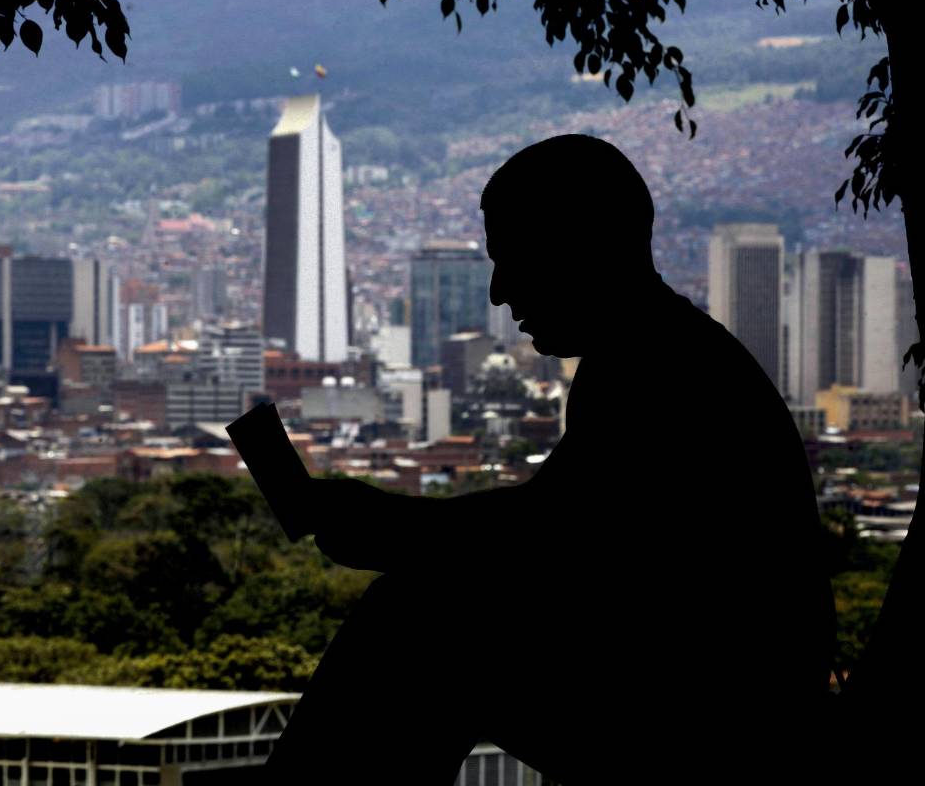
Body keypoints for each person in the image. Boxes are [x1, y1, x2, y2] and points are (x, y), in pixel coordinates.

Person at [262, 135, 836, 783]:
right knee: (419, 615)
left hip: (723, 727)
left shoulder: (654, 367)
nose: (502, 293)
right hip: (724, 703)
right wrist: (395, 526)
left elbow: (548, 537)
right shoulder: (661, 352)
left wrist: (391, 528)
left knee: (414, 622)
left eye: (515, 259)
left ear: (581, 247)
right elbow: (557, 533)